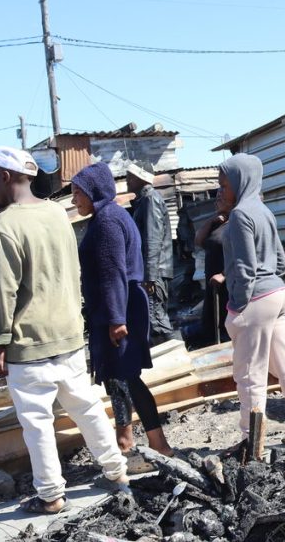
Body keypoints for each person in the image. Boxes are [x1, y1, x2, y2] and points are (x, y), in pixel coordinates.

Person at [0, 146, 128, 514]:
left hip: (29, 345)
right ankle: (117, 471)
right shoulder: (58, 214)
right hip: (70, 335)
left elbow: (2, 292)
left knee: (37, 424)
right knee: (87, 407)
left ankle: (51, 496)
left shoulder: (5, 228)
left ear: (6, 177)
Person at [219, 153, 285, 452]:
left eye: (223, 185)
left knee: (249, 374)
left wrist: (236, 306)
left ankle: (250, 443)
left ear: (240, 182)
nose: (219, 192)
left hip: (255, 299)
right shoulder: (264, 211)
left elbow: (245, 269)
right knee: (284, 364)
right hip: (276, 294)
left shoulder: (240, 215)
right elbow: (280, 262)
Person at [72, 162, 174, 466]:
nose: (74, 199)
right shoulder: (108, 216)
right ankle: (125, 439)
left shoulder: (107, 221)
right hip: (119, 305)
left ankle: (160, 444)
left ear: (94, 192)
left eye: (78, 193)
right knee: (117, 377)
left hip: (122, 307)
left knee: (128, 377)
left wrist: (116, 319)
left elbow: (113, 272)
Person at [126, 163, 178, 345]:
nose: (127, 179)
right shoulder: (144, 200)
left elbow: (152, 242)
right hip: (151, 273)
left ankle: (177, 358)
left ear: (140, 178)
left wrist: (149, 280)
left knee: (156, 320)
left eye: (130, 176)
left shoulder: (150, 199)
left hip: (153, 273)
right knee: (150, 319)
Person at [184, 194, 232, 347]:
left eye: (221, 198)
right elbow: (198, 240)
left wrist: (224, 274)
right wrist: (212, 220)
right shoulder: (217, 222)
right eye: (216, 198)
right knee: (211, 322)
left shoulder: (238, 222)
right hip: (213, 280)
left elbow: (243, 254)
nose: (217, 201)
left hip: (228, 280)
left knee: (226, 323)